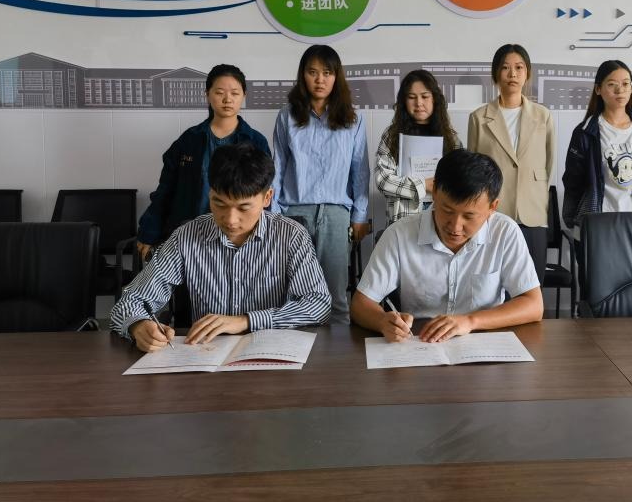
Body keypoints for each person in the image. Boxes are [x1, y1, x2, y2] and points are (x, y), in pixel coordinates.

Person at [112, 142, 331, 353]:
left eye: (243, 207)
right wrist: (138, 326)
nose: (230, 220)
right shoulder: (186, 237)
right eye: (219, 204)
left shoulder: (291, 236)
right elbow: (130, 302)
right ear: (210, 194)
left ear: (267, 198)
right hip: (205, 356)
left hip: (269, 355)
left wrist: (246, 321)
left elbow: (318, 305)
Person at [352, 149, 543, 343]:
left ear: (492, 207)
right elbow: (360, 304)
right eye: (447, 210)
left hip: (483, 342)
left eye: (469, 216)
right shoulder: (399, 234)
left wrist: (470, 321)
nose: (455, 227)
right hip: (421, 343)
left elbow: (533, 305)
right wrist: (382, 321)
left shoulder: (505, 232)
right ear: (434, 192)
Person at [271, 45, 370, 324]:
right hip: (293, 214)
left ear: (337, 76)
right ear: (302, 75)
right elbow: (277, 167)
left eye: (327, 73)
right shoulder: (287, 116)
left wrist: (360, 216)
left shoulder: (353, 119)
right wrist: (273, 213)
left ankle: (337, 350)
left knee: (336, 295)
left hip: (336, 215)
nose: (320, 80)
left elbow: (360, 171)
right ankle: (293, 347)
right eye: (312, 72)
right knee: (293, 293)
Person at [136, 64, 270, 262]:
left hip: (238, 236)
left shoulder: (255, 141)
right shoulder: (189, 139)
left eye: (235, 93)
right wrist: (148, 231)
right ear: (207, 94)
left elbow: (262, 194)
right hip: (191, 235)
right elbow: (165, 189)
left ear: (244, 96)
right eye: (219, 92)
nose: (227, 99)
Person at [467, 44, 555, 285]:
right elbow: (474, 171)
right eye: (505, 68)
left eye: (519, 67)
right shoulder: (478, 118)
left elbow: (548, 164)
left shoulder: (543, 116)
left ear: (528, 73)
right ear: (496, 74)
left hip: (533, 212)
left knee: (532, 284)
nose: (512, 74)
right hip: (493, 212)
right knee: (494, 285)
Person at [562, 60, 632, 261]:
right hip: (596, 225)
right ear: (598, 89)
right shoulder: (585, 132)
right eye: (612, 84)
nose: (620, 90)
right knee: (595, 280)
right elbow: (573, 181)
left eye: (626, 84)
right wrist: (571, 218)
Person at [375, 69, 463, 226]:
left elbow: (460, 179)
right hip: (403, 217)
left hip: (441, 217)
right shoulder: (391, 135)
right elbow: (383, 180)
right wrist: (423, 185)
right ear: (404, 101)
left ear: (434, 99)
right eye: (411, 97)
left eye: (425, 96)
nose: (419, 103)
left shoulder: (451, 138)